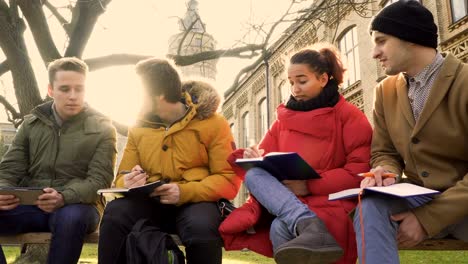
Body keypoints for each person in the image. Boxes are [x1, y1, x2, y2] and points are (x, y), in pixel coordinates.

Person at [219, 43, 373, 264]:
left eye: (302, 81)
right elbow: (264, 160)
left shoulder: (349, 116)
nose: (295, 89)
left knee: (279, 227)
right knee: (254, 175)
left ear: (323, 78)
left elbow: (359, 171)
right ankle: (307, 223)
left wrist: (308, 186)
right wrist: (253, 155)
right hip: (292, 201)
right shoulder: (283, 119)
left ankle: (309, 225)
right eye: (291, 83)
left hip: (331, 199)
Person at [353, 1, 468, 263]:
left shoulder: (464, 82)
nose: (374, 53)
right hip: (417, 197)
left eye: (381, 41)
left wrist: (427, 219)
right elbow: (384, 151)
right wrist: (386, 171)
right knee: (371, 203)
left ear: (411, 37)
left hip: (463, 204)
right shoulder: (384, 92)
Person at [98, 58, 241, 264]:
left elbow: (228, 180)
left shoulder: (214, 123)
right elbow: (121, 177)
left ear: (160, 95)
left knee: (202, 227)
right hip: (150, 202)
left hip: (196, 201)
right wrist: (127, 182)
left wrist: (183, 192)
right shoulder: (137, 127)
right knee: (115, 214)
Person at [0, 57, 117, 264]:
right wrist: (3, 191)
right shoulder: (31, 125)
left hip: (80, 207)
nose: (73, 96)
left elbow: (100, 180)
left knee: (70, 218)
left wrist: (64, 197)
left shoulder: (103, 127)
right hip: (33, 206)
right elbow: (10, 169)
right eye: (65, 89)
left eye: (79, 89)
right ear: (50, 90)